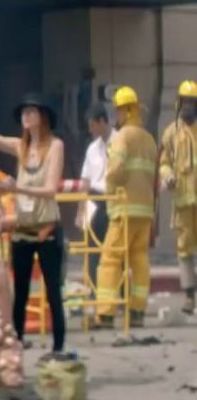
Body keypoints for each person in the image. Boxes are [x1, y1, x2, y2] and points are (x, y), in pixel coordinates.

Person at [0, 94, 68, 356]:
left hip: (46, 227)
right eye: (24, 112)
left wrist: (17, 187)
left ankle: (58, 346)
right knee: (19, 291)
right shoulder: (20, 147)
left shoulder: (55, 146)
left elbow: (50, 189)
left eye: (32, 111)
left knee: (52, 291)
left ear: (42, 117)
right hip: (22, 230)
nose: (26, 116)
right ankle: (17, 342)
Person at [100, 85, 158, 329]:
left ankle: (105, 313)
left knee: (111, 259)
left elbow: (115, 170)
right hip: (145, 209)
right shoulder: (149, 139)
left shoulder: (123, 137)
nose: (116, 116)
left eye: (118, 111)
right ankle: (137, 311)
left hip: (124, 208)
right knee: (139, 259)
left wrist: (109, 192)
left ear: (127, 110)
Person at [159, 79, 197, 315]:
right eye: (186, 102)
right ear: (179, 103)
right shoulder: (171, 132)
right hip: (183, 199)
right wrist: (168, 176)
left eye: (193, 102)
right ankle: (189, 296)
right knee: (184, 249)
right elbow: (164, 163)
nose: (189, 107)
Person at [77, 105, 113, 281]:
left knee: (114, 247)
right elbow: (86, 179)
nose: (90, 130)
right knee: (92, 246)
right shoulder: (92, 148)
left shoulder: (120, 140)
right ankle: (93, 288)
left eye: (93, 125)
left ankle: (118, 290)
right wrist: (81, 210)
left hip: (114, 199)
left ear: (102, 121)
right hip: (94, 199)